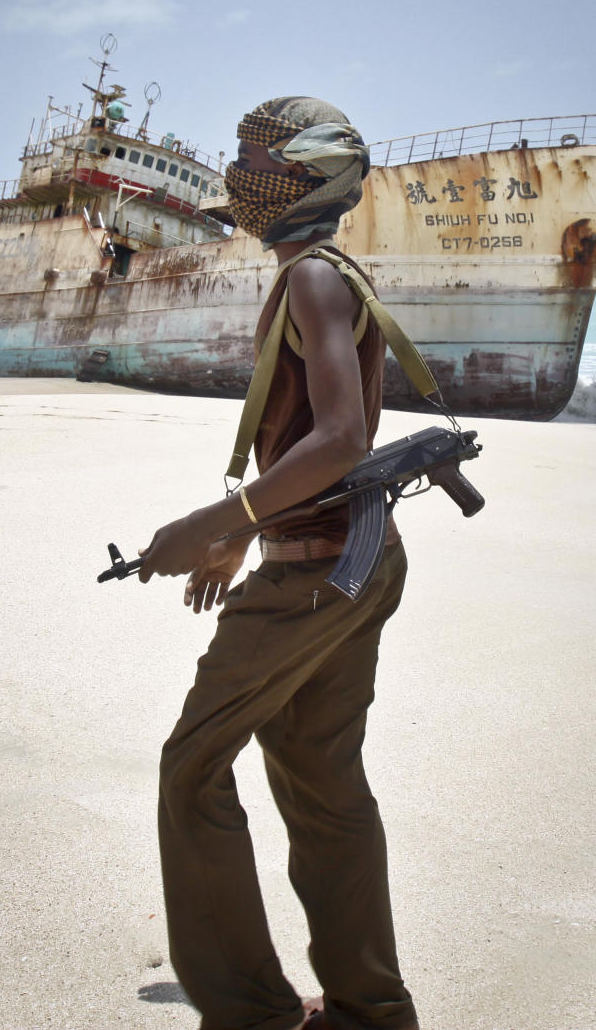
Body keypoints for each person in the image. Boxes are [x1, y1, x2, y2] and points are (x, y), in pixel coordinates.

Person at [138, 97, 419, 1030]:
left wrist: (205, 521)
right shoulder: (324, 272)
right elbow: (319, 441)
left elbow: (339, 439)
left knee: (192, 767)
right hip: (348, 559)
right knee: (324, 785)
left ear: (299, 176)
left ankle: (252, 1012)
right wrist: (243, 534)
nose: (235, 169)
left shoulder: (311, 279)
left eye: (252, 154)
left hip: (315, 575)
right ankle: (369, 1012)